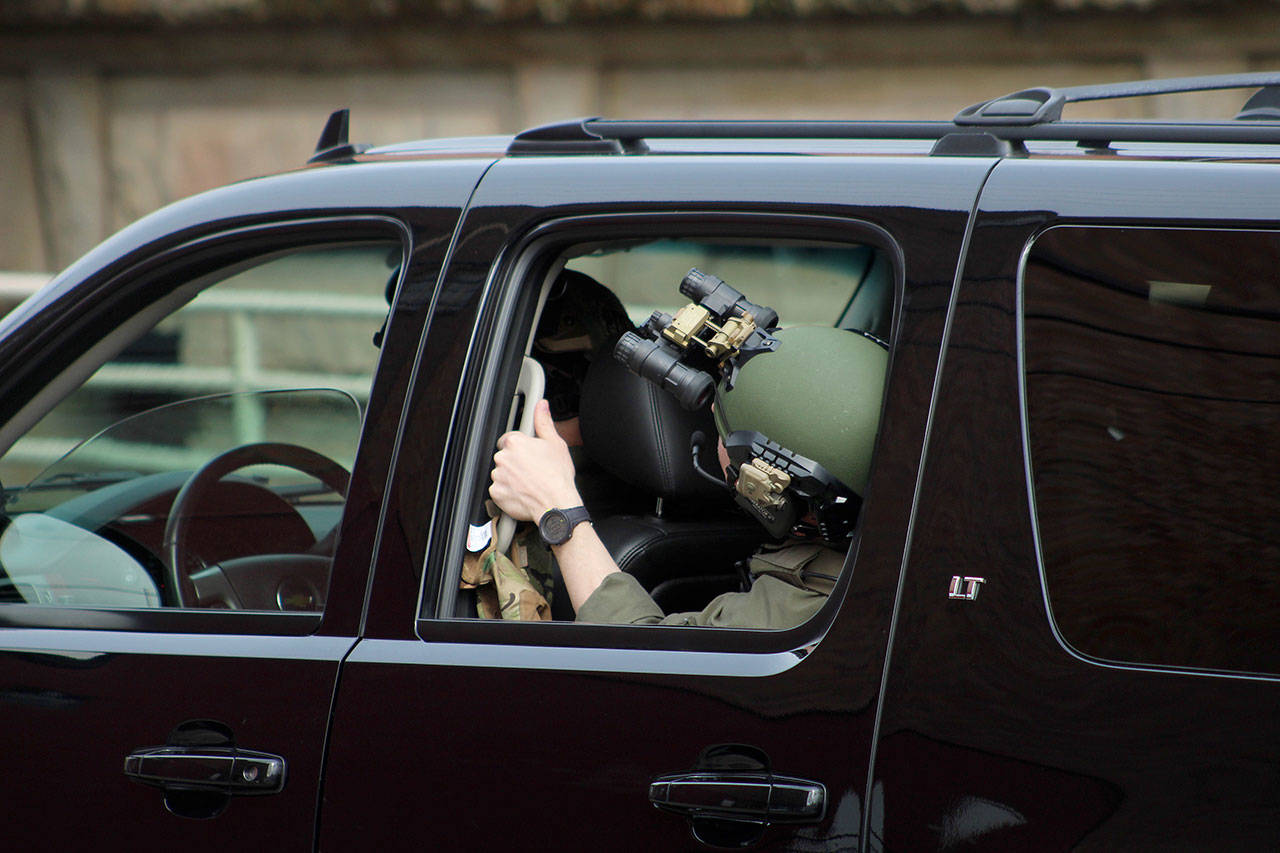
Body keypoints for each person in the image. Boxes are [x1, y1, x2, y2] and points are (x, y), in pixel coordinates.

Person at [489, 323, 888, 629]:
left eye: (720, 427)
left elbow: (642, 669)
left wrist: (557, 507)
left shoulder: (802, 616)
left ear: (762, 484)